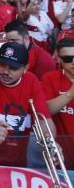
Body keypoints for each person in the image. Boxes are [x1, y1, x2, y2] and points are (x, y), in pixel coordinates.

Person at [0, 41, 56, 167]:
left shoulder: (32, 81)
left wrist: (50, 143)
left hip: (16, 163)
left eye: (13, 68)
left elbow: (43, 120)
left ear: (25, 68)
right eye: (2, 64)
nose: (5, 71)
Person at [41, 37, 74, 169]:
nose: (73, 62)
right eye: (68, 59)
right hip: (61, 154)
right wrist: (70, 94)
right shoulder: (50, 78)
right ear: (59, 59)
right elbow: (45, 111)